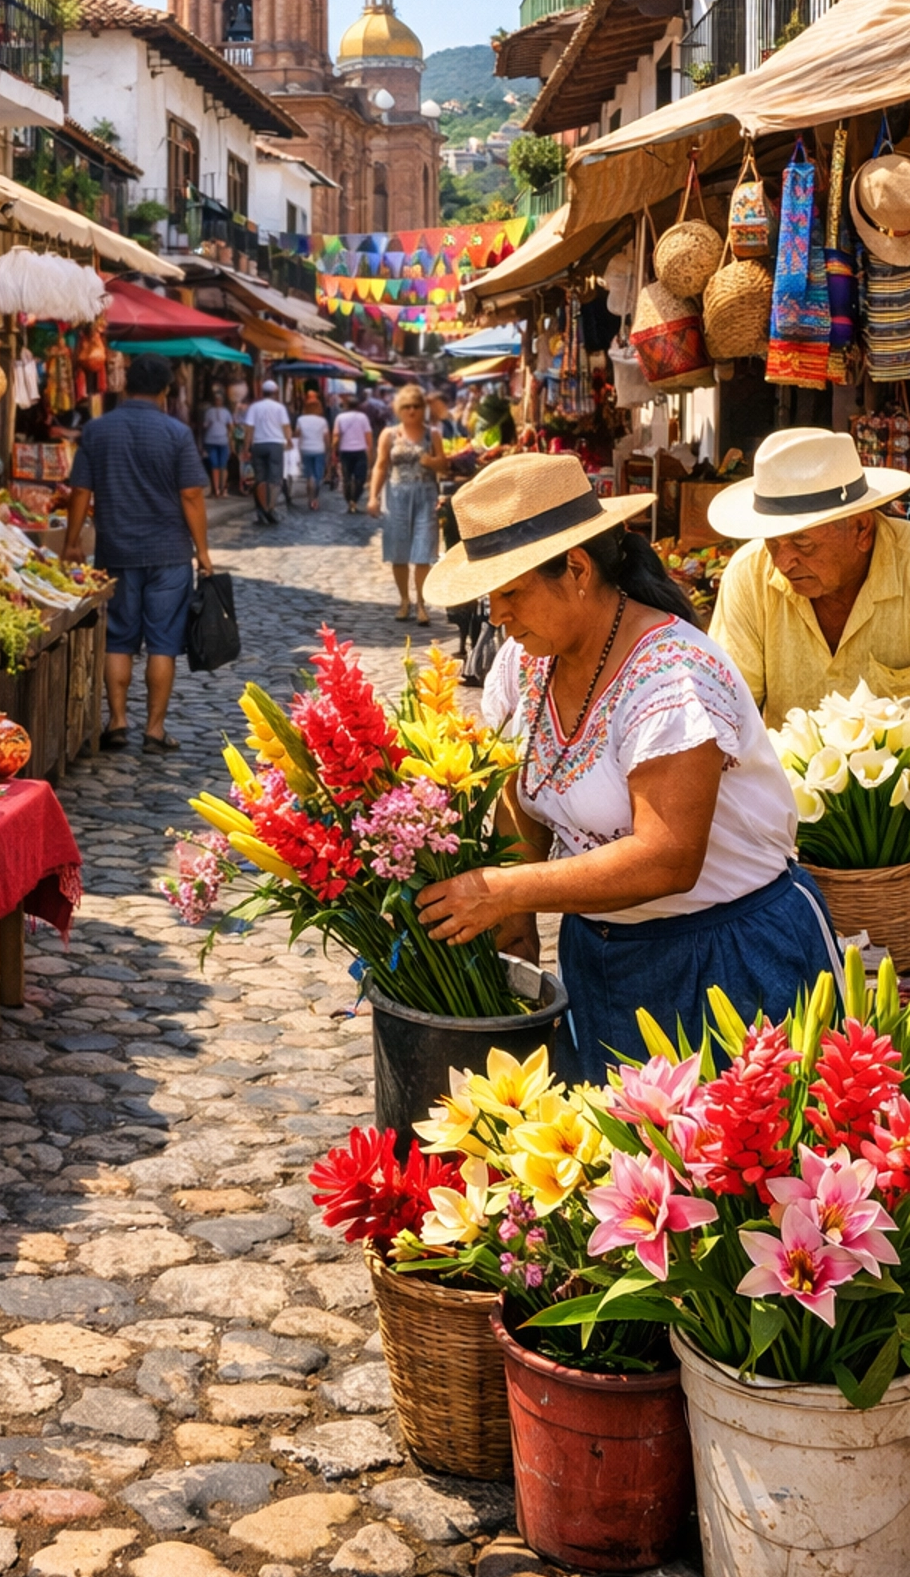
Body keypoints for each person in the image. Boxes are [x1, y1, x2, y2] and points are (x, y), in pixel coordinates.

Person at [415, 452, 839, 1082]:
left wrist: (504, 889)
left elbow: (667, 856)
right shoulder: (525, 661)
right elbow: (519, 798)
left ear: (577, 570)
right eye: (489, 596)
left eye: (510, 592)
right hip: (605, 956)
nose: (497, 615)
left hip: (731, 955)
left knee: (732, 1167)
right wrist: (516, 931)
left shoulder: (671, 675)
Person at [708, 427, 910, 729]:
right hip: (782, 776)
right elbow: (724, 714)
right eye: (772, 543)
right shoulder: (748, 575)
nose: (783, 562)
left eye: (802, 542)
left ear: (861, 530)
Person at [62, 350, 212, 756]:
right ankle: (155, 729)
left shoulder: (98, 430)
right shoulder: (176, 433)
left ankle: (118, 721)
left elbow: (80, 491)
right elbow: (192, 495)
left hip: (117, 551)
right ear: (165, 390)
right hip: (169, 554)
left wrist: (72, 541)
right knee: (164, 643)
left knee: (119, 639)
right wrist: (204, 553)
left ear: (125, 386)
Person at [368, 382, 447, 620]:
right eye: (406, 406)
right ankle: (404, 601)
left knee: (424, 552)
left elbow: (443, 463)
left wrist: (431, 462)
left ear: (422, 408)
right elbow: (381, 466)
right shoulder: (388, 434)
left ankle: (422, 604)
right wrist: (373, 496)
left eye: (416, 406)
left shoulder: (432, 434)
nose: (411, 411)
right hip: (397, 496)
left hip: (425, 495)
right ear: (398, 409)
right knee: (398, 552)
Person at [245, 378, 292, 528]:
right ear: (275, 393)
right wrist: (289, 440)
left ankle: (262, 510)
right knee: (275, 478)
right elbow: (286, 426)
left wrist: (247, 446)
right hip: (275, 444)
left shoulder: (254, 407)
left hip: (258, 444)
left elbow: (249, 428)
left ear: (263, 392)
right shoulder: (279, 408)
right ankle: (270, 508)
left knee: (260, 478)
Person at [332, 394, 374, 512]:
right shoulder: (363, 417)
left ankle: (350, 502)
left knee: (347, 479)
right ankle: (354, 501)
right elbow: (368, 436)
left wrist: (333, 451)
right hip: (360, 451)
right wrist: (370, 451)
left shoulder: (340, 417)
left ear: (346, 405)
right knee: (361, 478)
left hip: (345, 452)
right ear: (358, 406)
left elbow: (336, 436)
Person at [294, 391, 331, 510]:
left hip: (305, 449)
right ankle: (315, 498)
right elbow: (326, 438)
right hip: (319, 449)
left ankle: (310, 498)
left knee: (308, 474)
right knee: (318, 475)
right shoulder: (322, 421)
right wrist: (329, 450)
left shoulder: (301, 419)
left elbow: (297, 435)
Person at [201, 386, 233, 499]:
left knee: (223, 466)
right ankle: (217, 490)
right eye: (216, 399)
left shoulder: (226, 412)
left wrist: (230, 439)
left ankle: (222, 488)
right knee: (215, 465)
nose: (218, 401)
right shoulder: (209, 411)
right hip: (211, 441)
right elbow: (205, 426)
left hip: (223, 441)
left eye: (219, 399)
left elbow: (231, 427)